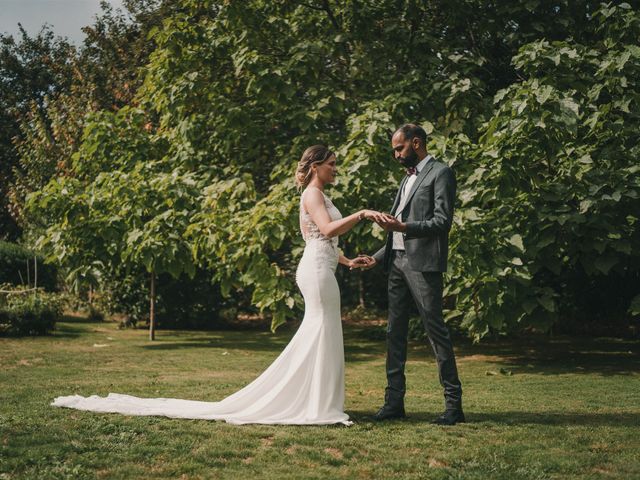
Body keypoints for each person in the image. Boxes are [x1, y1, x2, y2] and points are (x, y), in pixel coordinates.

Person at [51, 144, 383, 425]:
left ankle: (318, 401)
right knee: (321, 329)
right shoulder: (312, 194)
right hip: (315, 271)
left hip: (321, 265)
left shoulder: (318, 194)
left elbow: (319, 241)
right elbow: (325, 232)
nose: (335, 170)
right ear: (315, 166)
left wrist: (348, 260)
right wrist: (363, 214)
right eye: (331, 165)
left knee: (322, 330)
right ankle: (314, 404)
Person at [361, 124, 464, 425]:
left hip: (422, 266)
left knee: (436, 333)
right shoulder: (405, 180)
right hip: (395, 264)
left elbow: (442, 222)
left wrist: (403, 228)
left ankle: (454, 406)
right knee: (395, 334)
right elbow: (397, 229)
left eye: (399, 148)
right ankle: (393, 403)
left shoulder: (440, 172)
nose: (395, 155)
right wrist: (377, 258)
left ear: (416, 143)